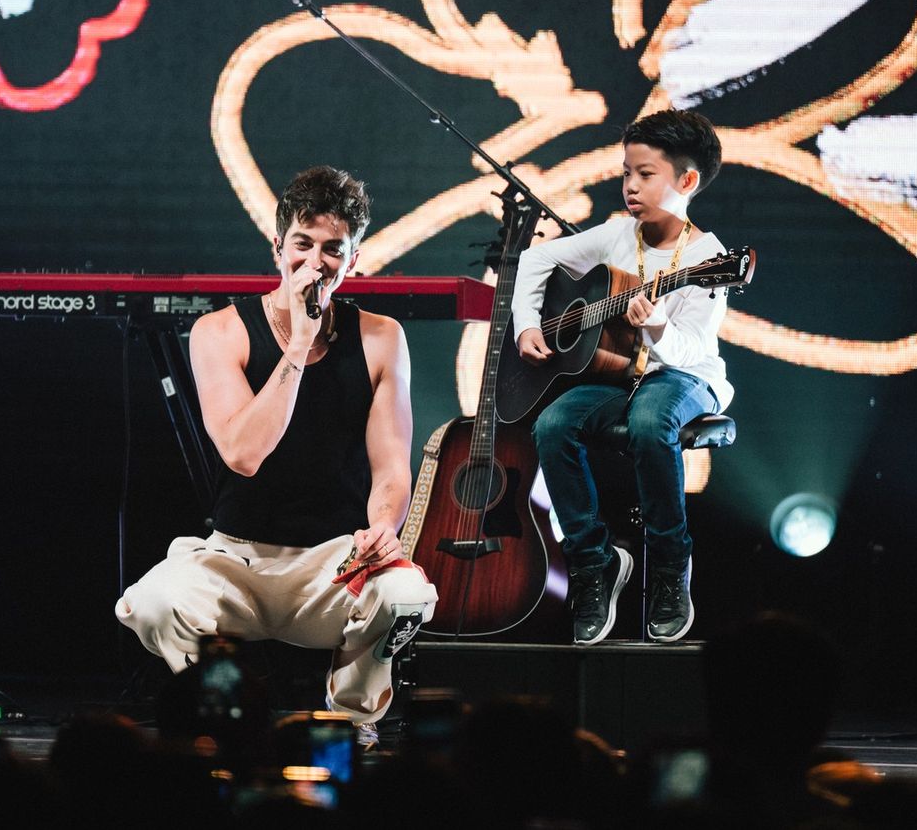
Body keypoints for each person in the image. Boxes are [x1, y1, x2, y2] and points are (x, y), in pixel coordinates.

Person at [116, 165, 438, 742]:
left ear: (354, 260)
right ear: (278, 249)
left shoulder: (382, 337)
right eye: (303, 244)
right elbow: (244, 453)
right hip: (237, 561)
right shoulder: (220, 332)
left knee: (408, 595)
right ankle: (225, 709)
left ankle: (352, 717)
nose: (316, 262)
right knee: (154, 603)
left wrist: (383, 528)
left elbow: (391, 466)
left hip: (334, 563)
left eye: (333, 249)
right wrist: (298, 344)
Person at [511, 109, 730, 645]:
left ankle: (669, 563)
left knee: (652, 418)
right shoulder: (617, 235)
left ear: (687, 181)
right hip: (621, 377)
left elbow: (692, 349)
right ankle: (594, 561)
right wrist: (527, 325)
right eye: (626, 172)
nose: (630, 185)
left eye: (646, 174)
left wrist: (656, 327)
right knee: (553, 424)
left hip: (684, 376)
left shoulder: (709, 258)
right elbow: (535, 261)